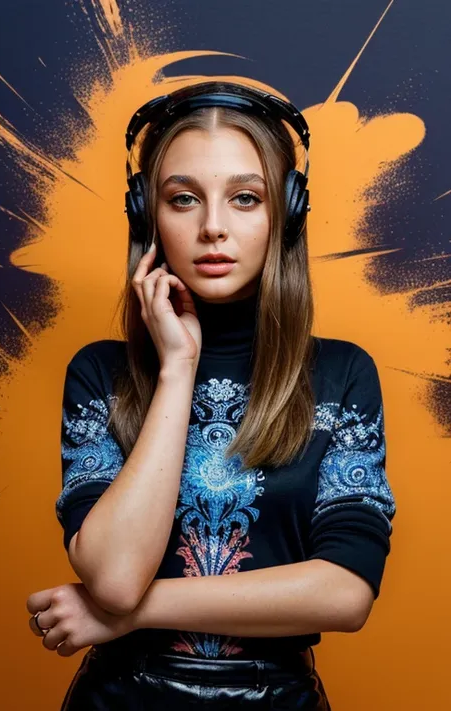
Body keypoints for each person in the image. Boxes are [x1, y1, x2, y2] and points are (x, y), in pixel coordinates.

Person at [26, 82, 396, 710]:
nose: (213, 227)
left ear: (287, 212)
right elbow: (114, 576)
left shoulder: (341, 374)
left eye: (245, 198)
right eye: (184, 198)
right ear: (147, 214)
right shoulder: (100, 374)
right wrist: (176, 367)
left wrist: (124, 614)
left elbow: (346, 592)